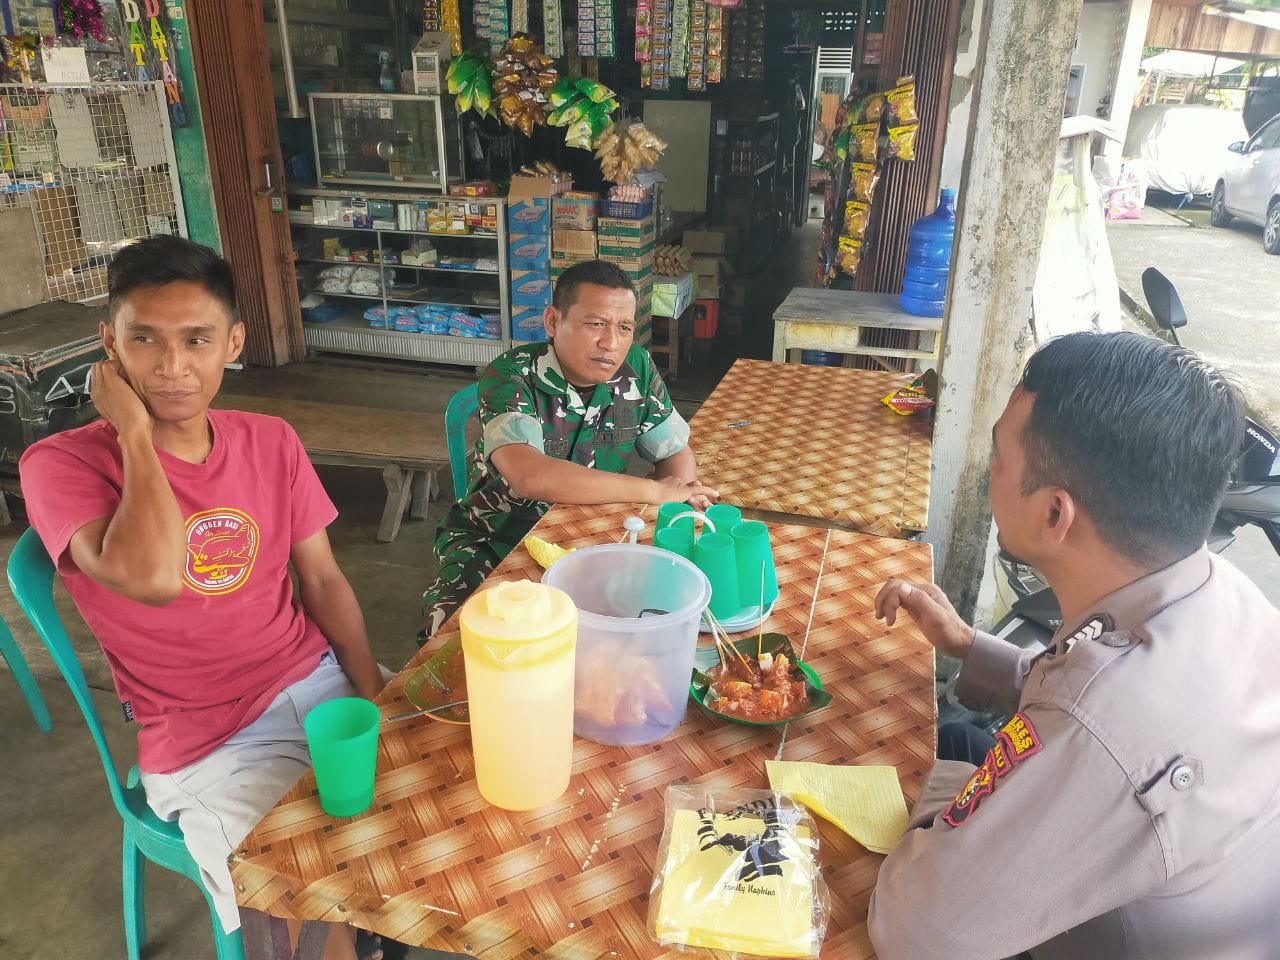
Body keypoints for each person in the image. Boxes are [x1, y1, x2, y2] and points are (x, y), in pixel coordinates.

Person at [20, 236, 387, 959]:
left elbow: (321, 581)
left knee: (453, 779)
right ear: (109, 344)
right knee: (300, 889)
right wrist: (134, 433)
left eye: (196, 339)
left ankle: (377, 932)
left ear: (234, 343)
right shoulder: (59, 464)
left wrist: (375, 693)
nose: (172, 366)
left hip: (317, 685)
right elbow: (155, 577)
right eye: (144, 339)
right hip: (207, 739)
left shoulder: (270, 440)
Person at [868, 331, 1280, 959]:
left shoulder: (1111, 719)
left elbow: (918, 934)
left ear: (1055, 515)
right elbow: (1078, 688)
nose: (990, 472)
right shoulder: (1217, 587)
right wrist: (968, 646)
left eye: (999, 458)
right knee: (956, 737)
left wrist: (944, 800)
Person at [421, 259, 717, 637]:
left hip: (596, 535)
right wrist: (655, 491)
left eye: (624, 328)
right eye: (595, 324)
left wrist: (675, 503)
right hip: (499, 538)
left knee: (644, 629)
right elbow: (530, 475)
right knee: (461, 636)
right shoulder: (511, 375)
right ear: (552, 321)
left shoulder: (636, 368)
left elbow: (674, 451)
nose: (611, 343)